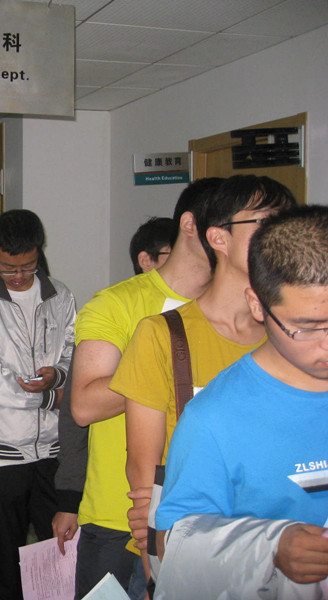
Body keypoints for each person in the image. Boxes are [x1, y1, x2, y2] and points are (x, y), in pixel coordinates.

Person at [112, 175, 296, 576]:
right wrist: (152, 566)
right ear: (218, 238)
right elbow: (144, 467)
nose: (281, 236)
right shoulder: (163, 335)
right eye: (266, 222)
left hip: (285, 538)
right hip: (195, 546)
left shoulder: (294, 334)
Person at [152, 205, 328, 599]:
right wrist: (270, 548)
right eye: (307, 328)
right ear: (257, 304)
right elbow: (175, 546)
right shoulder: (215, 418)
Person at [62, 178, 223, 599]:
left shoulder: (243, 308)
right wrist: (163, 368)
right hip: (119, 512)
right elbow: (84, 405)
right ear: (191, 224)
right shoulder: (117, 303)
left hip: (205, 510)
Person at [0, 209, 76, 600]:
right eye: (9, 268)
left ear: (39, 252)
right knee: (3, 551)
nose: (20, 276)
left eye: (28, 266)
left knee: (59, 548)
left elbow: (73, 350)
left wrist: (58, 375)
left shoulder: (60, 295)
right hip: (0, 449)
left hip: (53, 447)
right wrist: (45, 397)